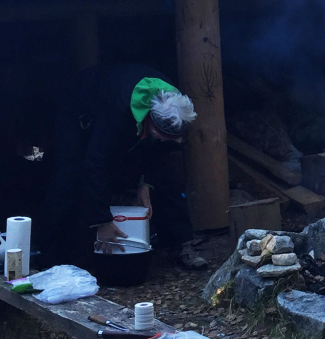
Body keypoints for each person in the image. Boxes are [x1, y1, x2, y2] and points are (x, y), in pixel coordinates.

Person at [41, 63, 205, 268]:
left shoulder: (174, 102)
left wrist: (146, 184)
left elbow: (159, 153)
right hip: (78, 109)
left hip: (119, 109)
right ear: (148, 122)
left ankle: (180, 243)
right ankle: (51, 255)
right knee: (69, 174)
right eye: (161, 136)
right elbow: (95, 163)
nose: (164, 141)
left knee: (163, 177)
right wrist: (102, 221)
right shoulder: (118, 110)